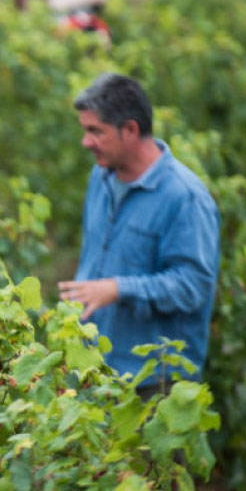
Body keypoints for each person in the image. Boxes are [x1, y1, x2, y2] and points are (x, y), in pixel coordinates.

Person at [58, 72, 220, 394]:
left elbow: (193, 285)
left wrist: (119, 289)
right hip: (96, 370)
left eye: (95, 131)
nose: (85, 142)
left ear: (130, 129)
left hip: (154, 385)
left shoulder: (184, 198)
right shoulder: (101, 177)